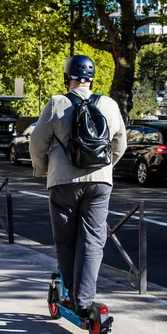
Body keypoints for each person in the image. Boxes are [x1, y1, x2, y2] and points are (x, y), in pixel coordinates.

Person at [29, 54, 127, 318]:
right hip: (100, 183)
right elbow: (120, 143)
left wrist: (42, 169)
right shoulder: (109, 104)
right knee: (93, 241)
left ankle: (71, 294)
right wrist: (106, 169)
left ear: (67, 77)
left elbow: (37, 143)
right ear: (92, 78)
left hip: (63, 181)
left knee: (67, 240)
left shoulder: (57, 103)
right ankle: (85, 300)